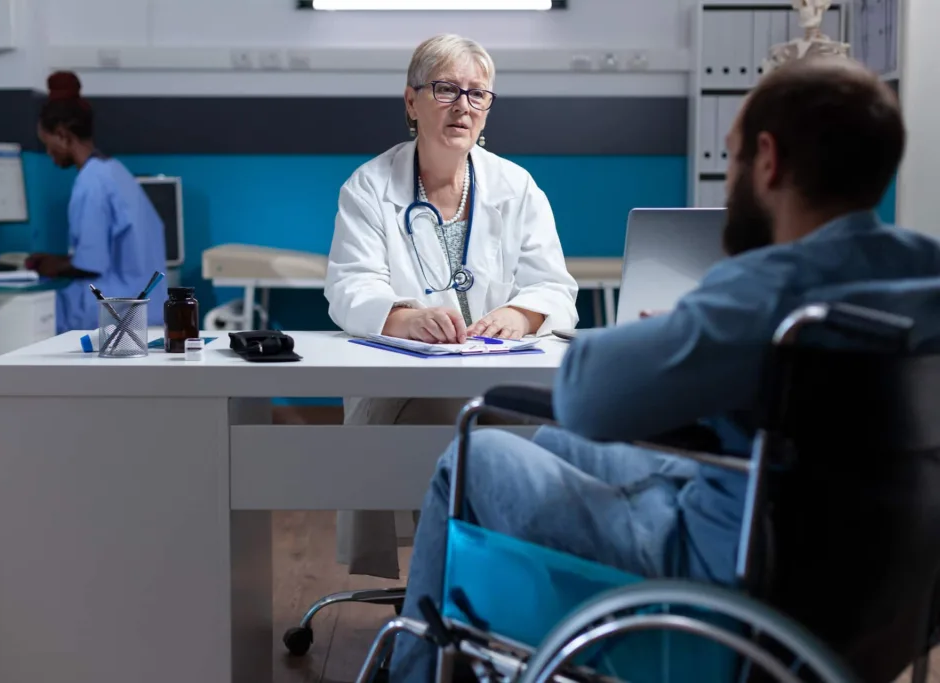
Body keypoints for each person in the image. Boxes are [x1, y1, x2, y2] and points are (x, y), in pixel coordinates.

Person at [390, 57, 940, 683]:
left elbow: (586, 395)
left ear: (768, 159)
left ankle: (416, 672)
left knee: (476, 454)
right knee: (558, 443)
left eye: (732, 160)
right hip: (880, 593)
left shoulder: (766, 290)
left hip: (729, 579)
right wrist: (694, 343)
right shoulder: (927, 272)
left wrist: (668, 332)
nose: (731, 181)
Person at [324, 34, 579, 579]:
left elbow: (555, 288)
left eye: (477, 94)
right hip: (404, 383)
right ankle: (455, 600)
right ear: (411, 101)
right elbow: (349, 288)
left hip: (498, 377)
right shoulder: (369, 187)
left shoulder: (518, 187)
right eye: (446, 89)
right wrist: (405, 317)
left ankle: (494, 594)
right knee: (456, 433)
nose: (463, 105)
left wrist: (522, 314)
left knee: (533, 436)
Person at [26, 71, 168, 334]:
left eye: (48, 145)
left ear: (64, 136)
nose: (48, 153)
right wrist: (59, 260)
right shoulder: (116, 172)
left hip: (117, 318)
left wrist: (50, 266)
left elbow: (89, 264)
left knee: (27, 319)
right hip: (150, 310)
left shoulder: (90, 183)